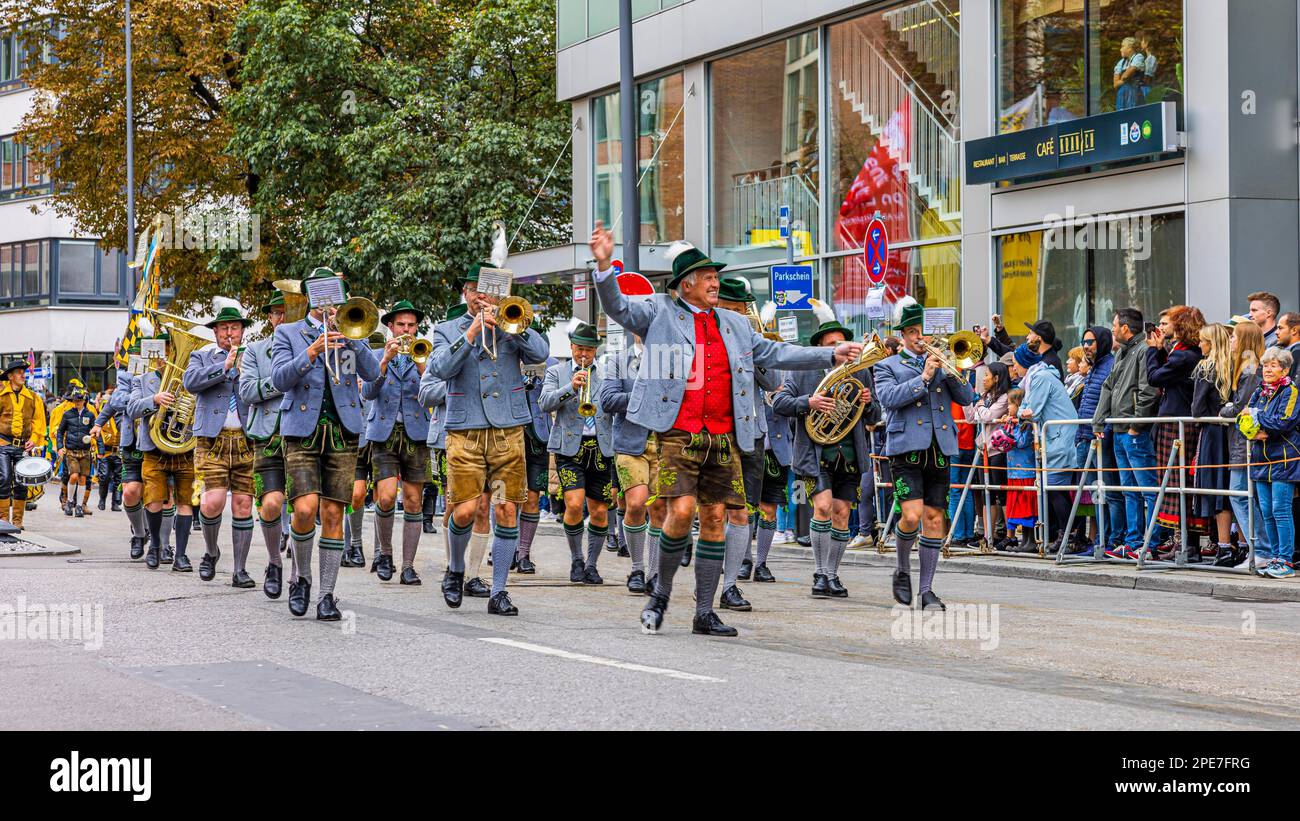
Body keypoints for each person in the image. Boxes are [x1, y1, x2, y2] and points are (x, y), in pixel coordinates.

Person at [589, 223, 859, 636]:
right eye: (709, 277)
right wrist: (604, 265)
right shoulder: (660, 310)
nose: (716, 283)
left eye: (716, 277)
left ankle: (703, 612)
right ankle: (660, 592)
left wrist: (830, 355)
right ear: (686, 284)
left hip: (726, 436)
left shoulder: (735, 325)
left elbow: (777, 352)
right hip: (677, 434)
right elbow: (618, 307)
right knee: (680, 511)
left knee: (714, 517)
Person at [428, 262, 551, 616]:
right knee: (465, 510)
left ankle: (499, 590)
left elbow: (540, 354)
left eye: (488, 290)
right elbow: (438, 369)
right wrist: (471, 333)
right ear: (466, 294)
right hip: (465, 431)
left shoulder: (512, 323)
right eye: (475, 290)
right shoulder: (448, 328)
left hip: (507, 431)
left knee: (506, 508)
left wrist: (513, 327)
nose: (483, 296)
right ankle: (455, 569)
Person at [271, 267, 383, 620]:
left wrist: (351, 336)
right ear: (309, 297)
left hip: (343, 431)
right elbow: (278, 379)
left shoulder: (350, 331)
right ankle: (301, 577)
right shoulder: (289, 333)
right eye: (323, 296)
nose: (329, 304)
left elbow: (372, 373)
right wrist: (311, 352)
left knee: (335, 512)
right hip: (302, 431)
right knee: (304, 510)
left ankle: (326, 595)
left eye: (335, 296)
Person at [872, 297, 975, 610]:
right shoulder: (886, 365)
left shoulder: (943, 363)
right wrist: (925, 377)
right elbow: (888, 399)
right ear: (903, 335)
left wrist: (953, 369)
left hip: (940, 447)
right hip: (906, 449)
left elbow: (968, 396)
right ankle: (902, 567)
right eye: (914, 332)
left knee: (934, 518)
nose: (921, 339)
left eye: (924, 332)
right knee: (912, 516)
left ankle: (926, 590)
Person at [773, 300, 880, 600]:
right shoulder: (803, 371)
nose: (840, 347)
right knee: (822, 507)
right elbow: (779, 403)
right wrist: (809, 402)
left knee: (842, 513)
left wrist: (869, 403)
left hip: (849, 454)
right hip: (815, 452)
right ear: (822, 346)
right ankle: (820, 573)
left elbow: (875, 418)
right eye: (833, 343)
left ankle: (833, 574)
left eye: (843, 342)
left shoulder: (859, 372)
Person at [715, 276, 785, 610]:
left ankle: (729, 587)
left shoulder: (753, 339)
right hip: (713, 432)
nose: (733, 316)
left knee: (741, 512)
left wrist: (750, 350)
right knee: (714, 513)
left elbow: (773, 381)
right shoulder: (705, 337)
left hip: (751, 434)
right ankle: (707, 582)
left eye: (738, 311)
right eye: (726, 309)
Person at [184, 302, 258, 586]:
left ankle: (240, 570)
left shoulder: (251, 356)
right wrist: (223, 365)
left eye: (235, 328)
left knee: (243, 504)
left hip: (246, 439)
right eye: (224, 328)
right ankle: (211, 551)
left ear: (242, 331)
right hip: (211, 439)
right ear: (215, 332)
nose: (230, 333)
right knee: (212, 502)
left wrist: (240, 364)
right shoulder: (201, 357)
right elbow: (191, 382)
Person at [362, 300, 432, 586]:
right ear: (389, 327)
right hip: (384, 431)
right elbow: (367, 392)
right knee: (387, 496)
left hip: (416, 432)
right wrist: (384, 362)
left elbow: (434, 394)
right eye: (401, 325)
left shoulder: (425, 353)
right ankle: (385, 554)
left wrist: (421, 366)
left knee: (414, 500)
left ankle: (408, 565)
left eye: (411, 326)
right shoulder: (376, 353)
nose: (406, 330)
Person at [539, 321, 614, 585]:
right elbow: (544, 403)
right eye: (579, 349)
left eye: (589, 350)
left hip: (602, 448)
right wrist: (571, 387)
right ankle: (576, 559)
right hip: (570, 448)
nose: (584, 354)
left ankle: (592, 564)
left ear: (596, 350)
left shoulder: (606, 372)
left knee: (600, 511)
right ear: (571, 346)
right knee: (573, 504)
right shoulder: (556, 372)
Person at [599, 331, 663, 594]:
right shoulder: (617, 360)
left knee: (659, 509)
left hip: (663, 443)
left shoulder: (670, 360)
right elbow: (607, 400)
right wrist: (642, 394)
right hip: (630, 443)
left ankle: (655, 573)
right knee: (636, 503)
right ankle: (637, 568)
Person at [127, 332, 197, 570]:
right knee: (154, 500)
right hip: (154, 449)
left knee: (185, 501)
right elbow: (132, 409)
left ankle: (181, 555)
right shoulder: (142, 379)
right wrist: (155, 399)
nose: (165, 356)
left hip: (184, 449)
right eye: (162, 351)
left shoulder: (190, 377)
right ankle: (155, 545)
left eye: (170, 350)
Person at [1095, 308, 1160, 559]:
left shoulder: (1142, 350)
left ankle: (1150, 543)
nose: (1112, 329)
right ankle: (1133, 542)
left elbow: (1148, 389)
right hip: (1119, 428)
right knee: (1129, 490)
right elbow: (1108, 385)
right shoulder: (1123, 351)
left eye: (1114, 325)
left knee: (1146, 488)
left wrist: (1137, 423)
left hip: (1133, 430)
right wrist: (1099, 422)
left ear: (1125, 328)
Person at [1146, 305, 1206, 559]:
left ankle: (1188, 544)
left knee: (1177, 482)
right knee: (1175, 483)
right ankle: (1181, 541)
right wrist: (1160, 351)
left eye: (1166, 323)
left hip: (1177, 422)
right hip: (1176, 419)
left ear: (1180, 325)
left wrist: (1152, 351)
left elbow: (1154, 378)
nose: (1162, 328)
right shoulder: (1183, 352)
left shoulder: (1183, 355)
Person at [1015, 343, 1080, 551]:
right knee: (1054, 489)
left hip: (1059, 439)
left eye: (1016, 364)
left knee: (1055, 489)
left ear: (1024, 364)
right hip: (1055, 438)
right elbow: (1025, 407)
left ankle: (1068, 536)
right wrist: (1022, 412)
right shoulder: (1038, 377)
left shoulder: (1041, 378)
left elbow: (1032, 410)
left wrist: (1022, 413)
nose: (1014, 369)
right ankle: (1065, 535)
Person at [1243, 347, 1300, 578]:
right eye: (1266, 365)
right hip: (1260, 458)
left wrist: (1256, 418)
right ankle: (1275, 557)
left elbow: (1284, 421)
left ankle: (1285, 561)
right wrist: (1253, 430)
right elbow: (1242, 418)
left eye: (1274, 365)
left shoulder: (1291, 391)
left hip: (1284, 458)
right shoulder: (1260, 390)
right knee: (1266, 511)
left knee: (1281, 510)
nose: (1268, 369)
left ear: (1285, 369)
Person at [1219, 321, 1266, 567]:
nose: (1231, 341)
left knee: (1241, 495)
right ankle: (1257, 550)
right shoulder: (1247, 369)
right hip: (1240, 443)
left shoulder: (1250, 370)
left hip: (1243, 444)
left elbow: (1240, 408)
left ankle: (1261, 550)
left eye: (1234, 337)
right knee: (1243, 495)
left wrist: (1224, 410)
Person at [1190, 323, 1236, 563]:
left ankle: (1224, 547)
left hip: (1211, 433)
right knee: (1230, 489)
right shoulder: (1233, 365)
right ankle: (1234, 545)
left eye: (1202, 340)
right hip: (1231, 434)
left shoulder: (1205, 368)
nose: (1199, 344)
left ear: (1211, 342)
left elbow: (1196, 408)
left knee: (1216, 489)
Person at [93, 347, 146, 556]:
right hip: (131, 441)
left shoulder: (164, 374)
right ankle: (140, 534)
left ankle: (162, 543)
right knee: (131, 492)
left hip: (159, 441)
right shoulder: (125, 376)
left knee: (162, 494)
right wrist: (98, 423)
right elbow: (114, 402)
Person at [1073, 325, 1120, 548]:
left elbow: (1109, 405)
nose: (1086, 346)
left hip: (1099, 438)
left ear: (1101, 343)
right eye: (1084, 342)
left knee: (1109, 492)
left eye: (1090, 342)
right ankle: (1100, 540)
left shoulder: (1109, 365)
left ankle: (1110, 541)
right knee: (1096, 494)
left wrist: (1103, 433)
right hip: (1085, 437)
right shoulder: (1094, 368)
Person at [514, 342, 555, 574]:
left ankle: (524, 552)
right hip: (509, 435)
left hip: (538, 437)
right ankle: (503, 547)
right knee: (503, 497)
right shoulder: (505, 356)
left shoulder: (551, 364)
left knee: (531, 497)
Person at [0, 360, 47, 530]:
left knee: (22, 482)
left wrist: (34, 439)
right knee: (4, 479)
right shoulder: (1, 395)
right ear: (10, 377)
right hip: (3, 443)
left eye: (23, 372)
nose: (22, 375)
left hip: (23, 447)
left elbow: (39, 421)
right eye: (19, 372)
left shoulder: (33, 397)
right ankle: (3, 519)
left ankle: (17, 521)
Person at [970, 362, 1011, 548]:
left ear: (996, 378)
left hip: (997, 450)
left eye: (987, 375)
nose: (984, 378)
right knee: (986, 492)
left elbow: (987, 416)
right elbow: (972, 416)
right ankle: (988, 536)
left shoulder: (1004, 397)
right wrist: (974, 402)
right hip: (983, 448)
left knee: (1000, 493)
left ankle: (1009, 534)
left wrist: (979, 408)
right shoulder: (985, 396)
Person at [1001, 388, 1037, 551]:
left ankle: (1031, 540)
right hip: (1014, 472)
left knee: (1027, 508)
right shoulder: (1013, 422)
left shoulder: (1025, 424)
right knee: (1018, 508)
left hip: (1026, 471)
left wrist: (1010, 433)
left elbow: (1022, 442)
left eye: (1011, 404)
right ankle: (1024, 541)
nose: (1008, 407)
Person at [56, 387, 96, 518]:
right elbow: (60, 432)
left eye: (79, 400)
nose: (77, 402)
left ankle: (79, 506)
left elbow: (96, 432)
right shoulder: (67, 414)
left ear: (84, 401)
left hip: (85, 451)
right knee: (73, 476)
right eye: (75, 400)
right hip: (71, 451)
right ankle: (69, 502)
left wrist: (99, 448)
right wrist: (60, 447)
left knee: (83, 478)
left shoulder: (90, 415)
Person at [92, 383, 122, 512]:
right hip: (106, 451)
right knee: (104, 477)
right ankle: (102, 499)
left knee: (118, 477)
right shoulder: (104, 416)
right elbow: (99, 434)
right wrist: (100, 450)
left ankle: (115, 503)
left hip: (119, 451)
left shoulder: (123, 415)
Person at [1113, 36, 1146, 110]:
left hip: (1136, 92)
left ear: (1130, 48)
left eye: (1123, 46)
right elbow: (1115, 84)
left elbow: (1125, 76)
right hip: (1123, 93)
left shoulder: (1138, 57)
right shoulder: (1121, 62)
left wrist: (1122, 79)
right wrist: (1126, 79)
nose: (1120, 49)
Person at [1275, 312, 1300, 378]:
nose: (1276, 332)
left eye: (1280, 328)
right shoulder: (1292, 352)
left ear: (1294, 330)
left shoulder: (1296, 352)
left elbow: (1295, 386)